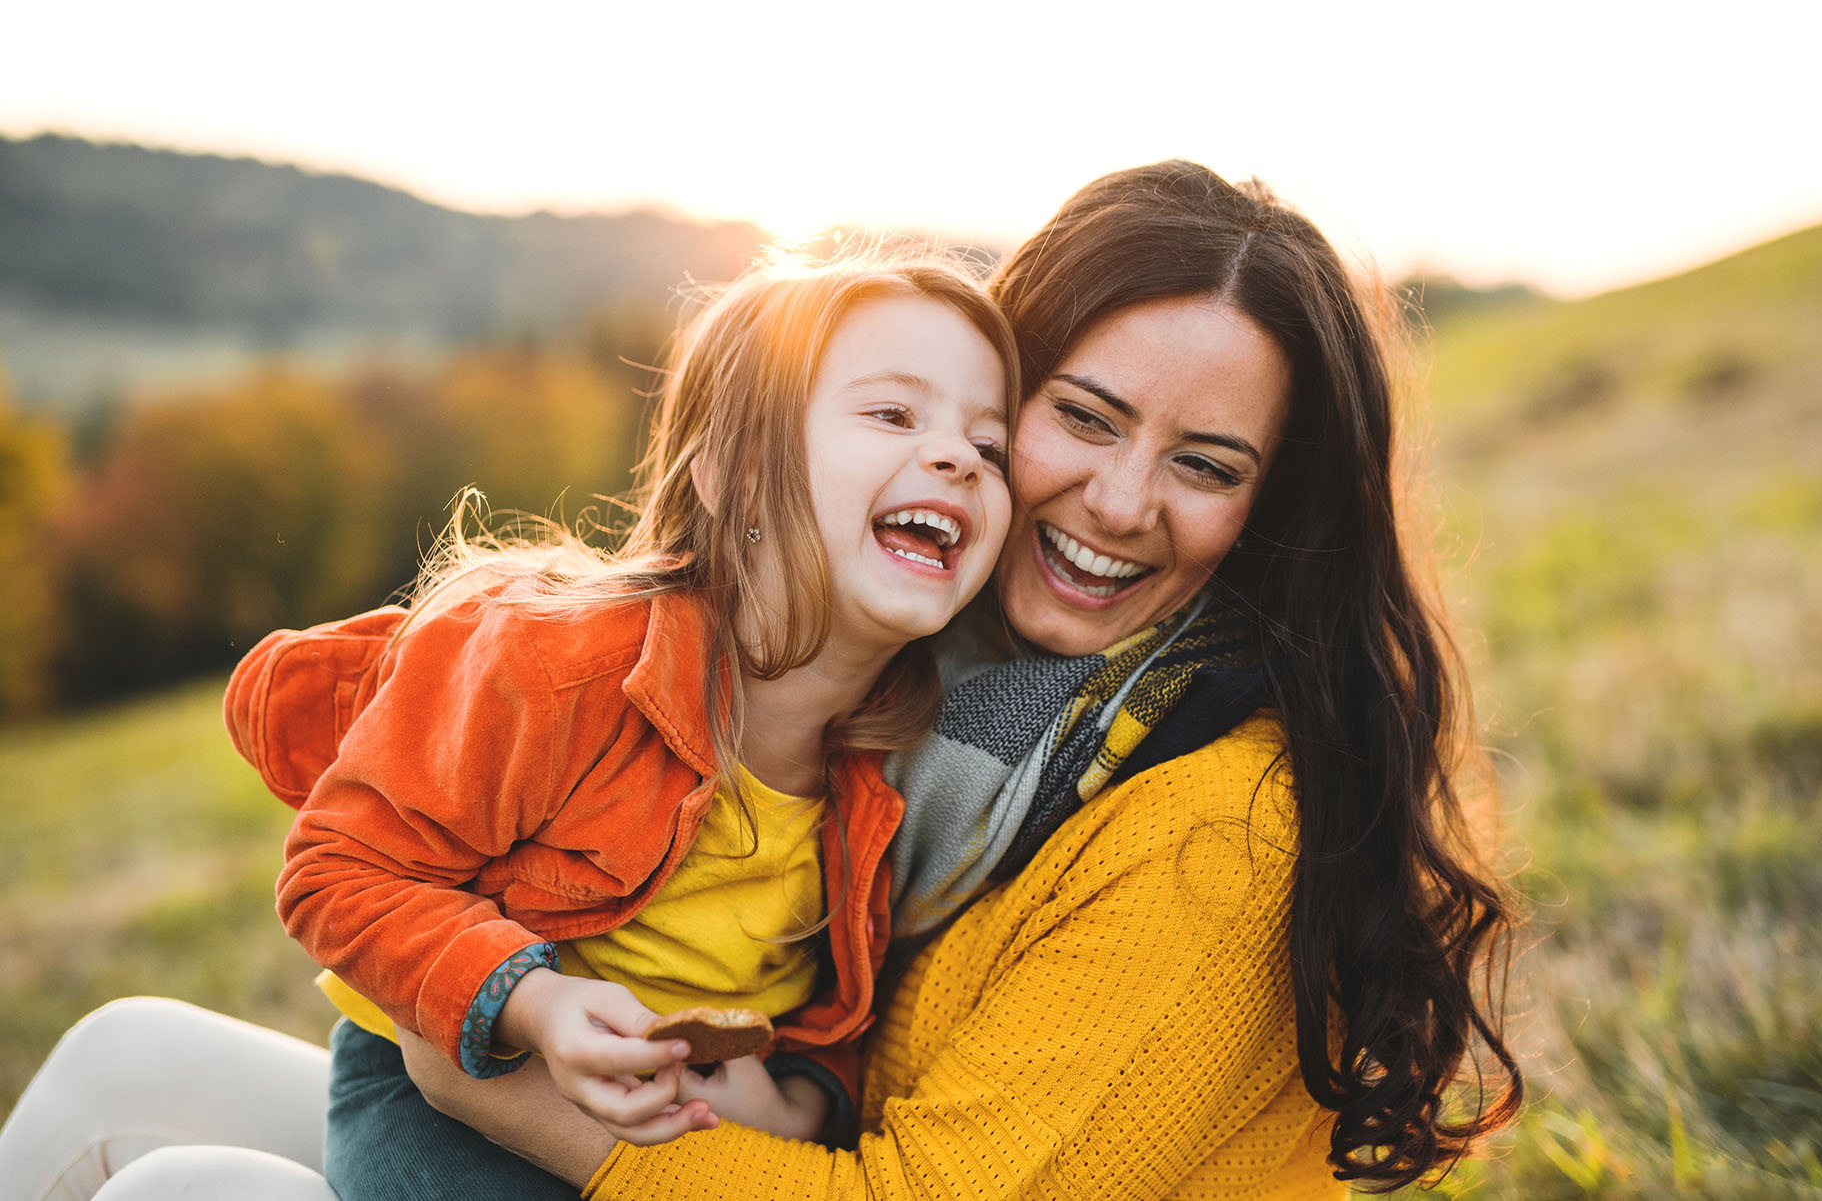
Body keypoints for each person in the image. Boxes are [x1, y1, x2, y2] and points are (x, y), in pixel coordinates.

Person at [0, 160, 1521, 1200]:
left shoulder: (1204, 813)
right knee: (124, 1050)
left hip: (642, 1141)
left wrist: (491, 1061)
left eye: (1204, 463)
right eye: (1079, 416)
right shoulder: (942, 705)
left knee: (184, 1190)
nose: (1121, 501)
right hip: (661, 1120)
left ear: (1274, 509)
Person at [239, 249, 1017, 1197]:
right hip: (458, 1086)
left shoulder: (898, 767)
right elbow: (340, 869)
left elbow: (837, 1018)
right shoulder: (555, 663)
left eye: (993, 447)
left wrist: (794, 1106)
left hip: (682, 1140)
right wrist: (531, 1004)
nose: (958, 459)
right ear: (730, 475)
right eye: (895, 413)